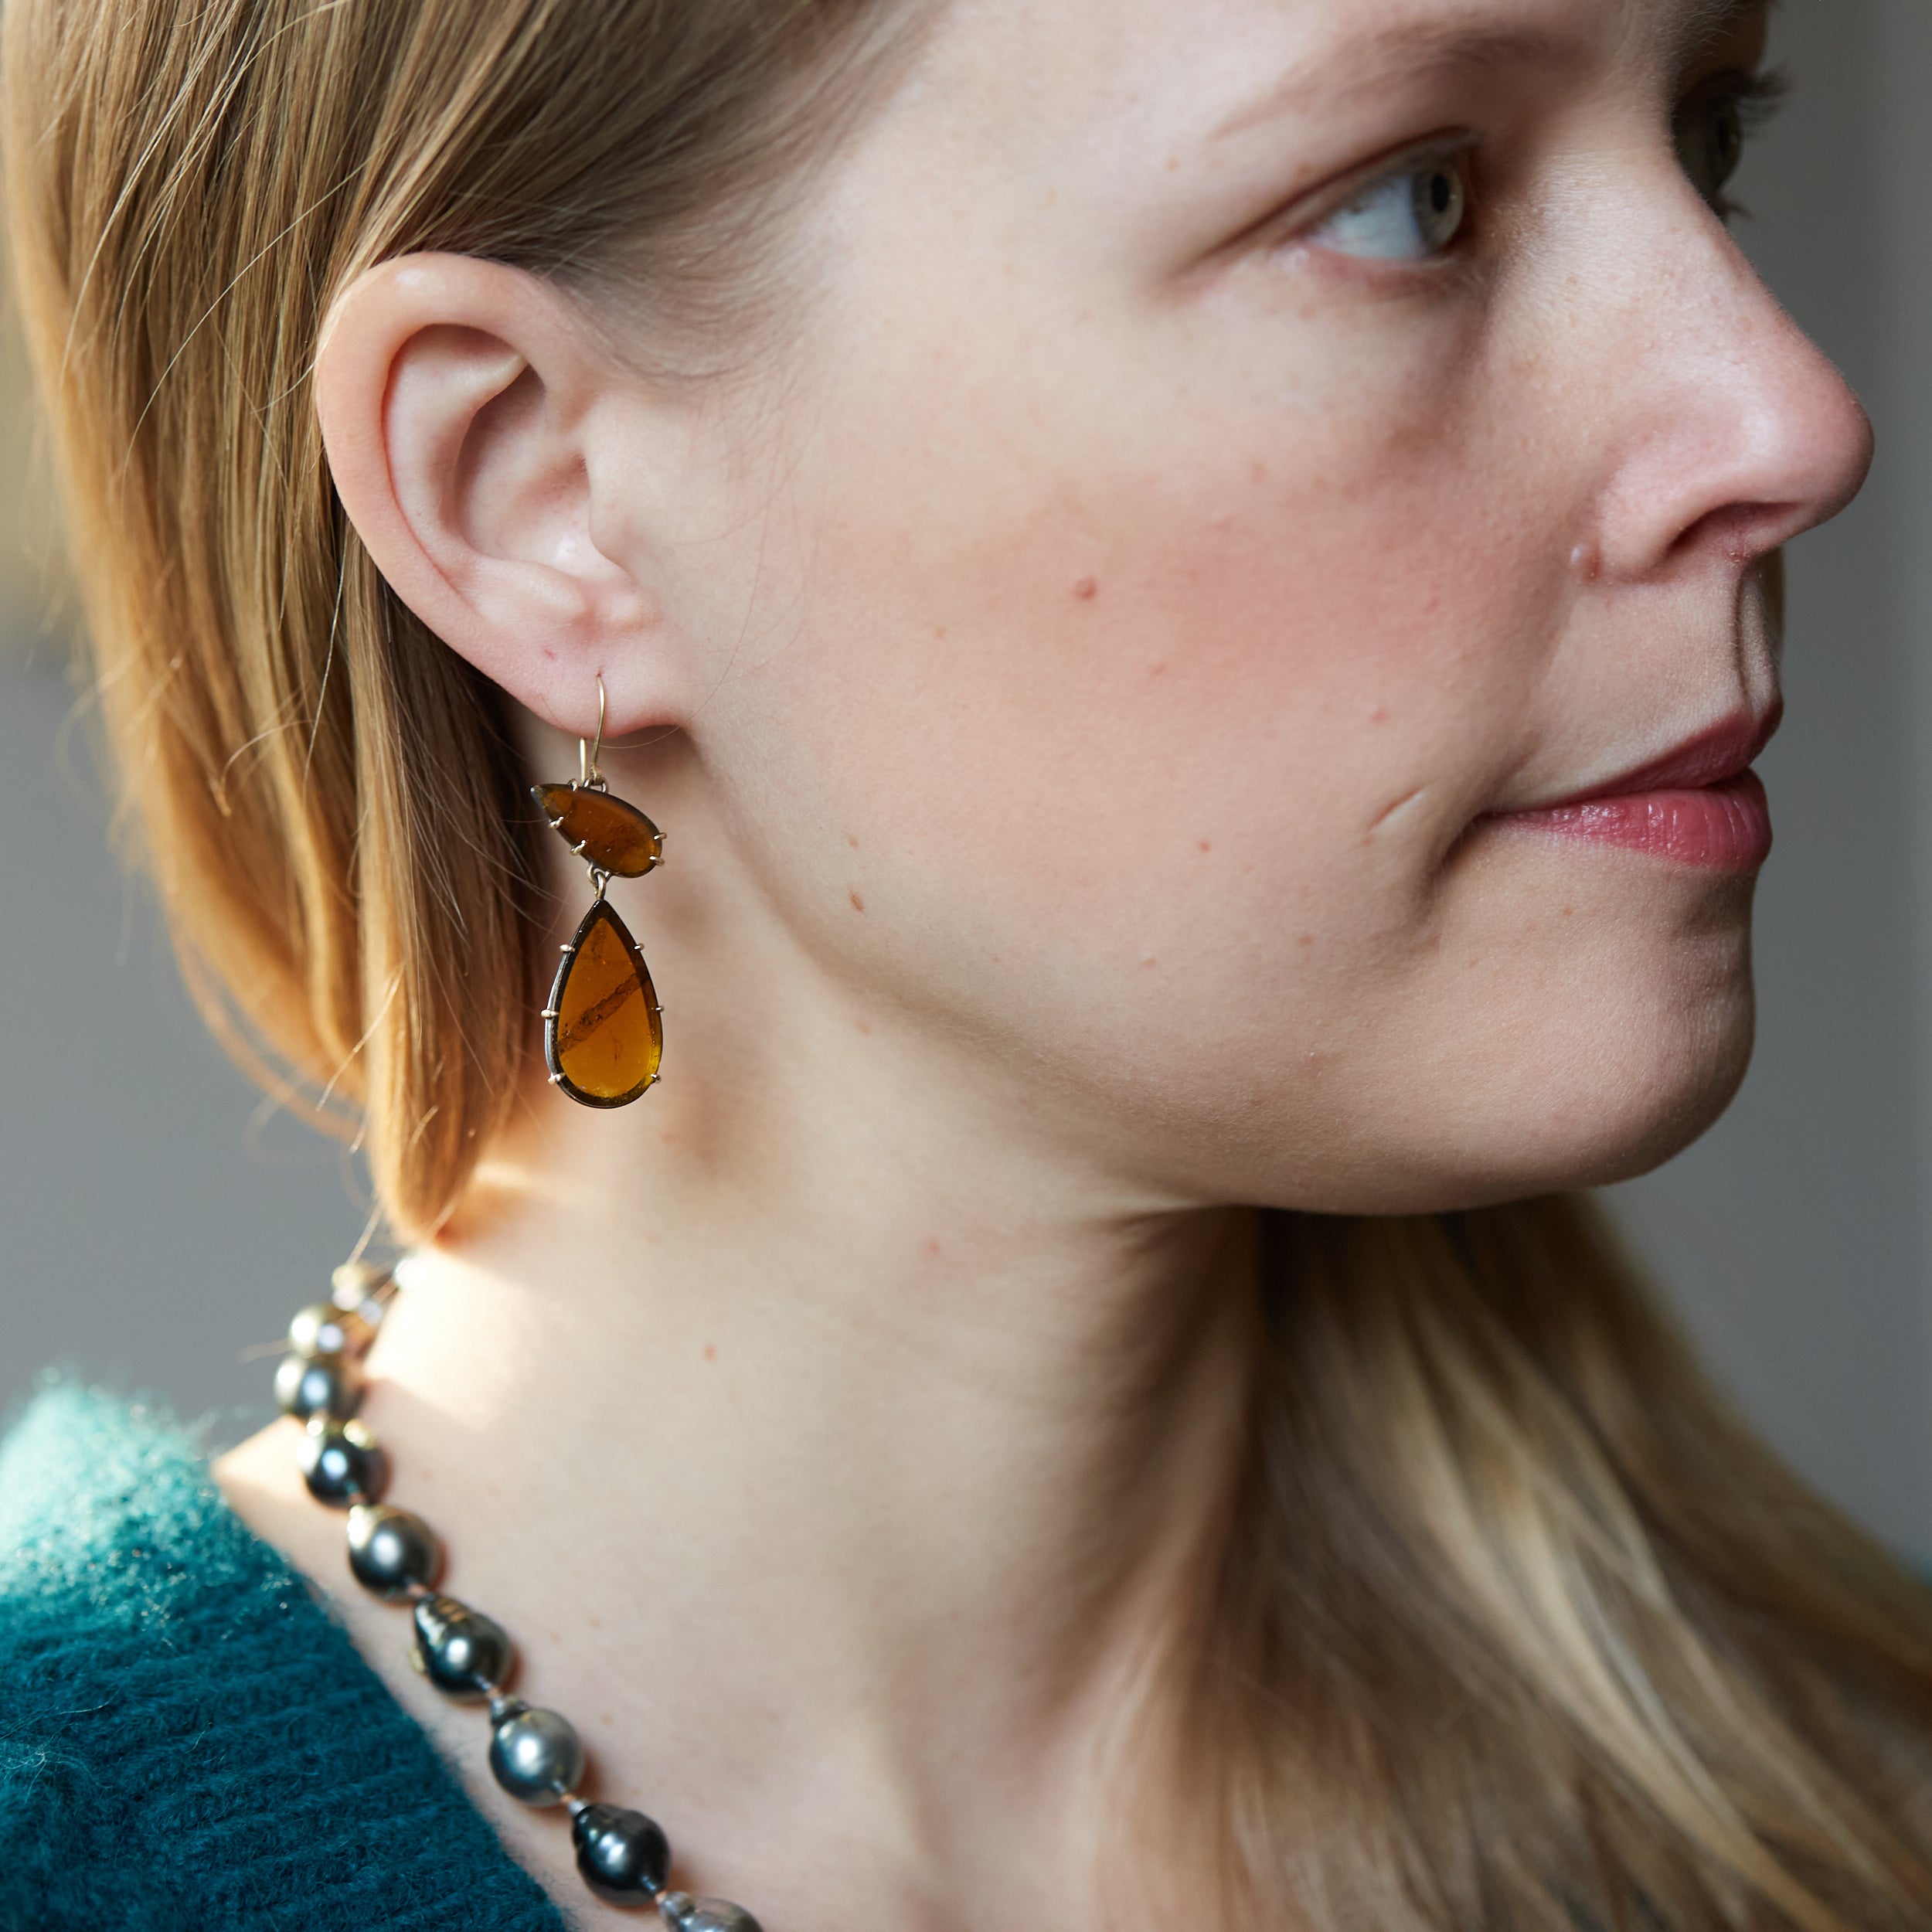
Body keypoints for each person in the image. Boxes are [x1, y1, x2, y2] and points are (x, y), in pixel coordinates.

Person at [2, 0, 1928, 1926]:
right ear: (537, 497)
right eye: (1406, 200)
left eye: (1706, 140)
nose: (1791, 417)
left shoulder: (1840, 1806)